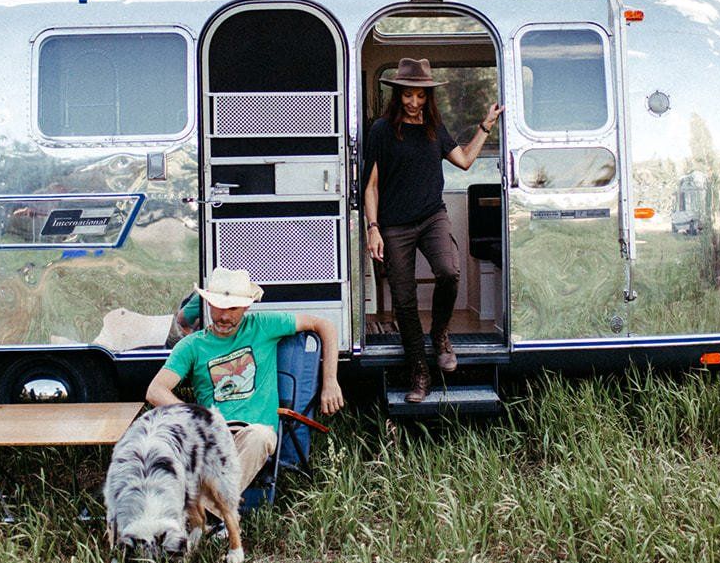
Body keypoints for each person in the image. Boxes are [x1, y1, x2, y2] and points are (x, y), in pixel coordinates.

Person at [362, 57, 502, 404]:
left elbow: (465, 161)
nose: (414, 102)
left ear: (428, 96)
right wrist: (373, 228)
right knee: (404, 299)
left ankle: (440, 334)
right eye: (408, 95)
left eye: (420, 95)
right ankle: (419, 371)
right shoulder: (381, 130)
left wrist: (485, 127)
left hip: (431, 217)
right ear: (398, 95)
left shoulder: (434, 128)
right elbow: (371, 186)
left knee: (449, 272)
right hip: (394, 225)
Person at [144, 266, 343, 491]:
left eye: (233, 308)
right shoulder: (192, 345)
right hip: (213, 435)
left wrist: (330, 381)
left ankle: (208, 507)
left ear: (246, 306)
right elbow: (155, 390)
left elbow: (324, 325)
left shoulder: (263, 326)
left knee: (259, 436)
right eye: (218, 307)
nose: (224, 316)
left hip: (254, 434)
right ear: (208, 303)